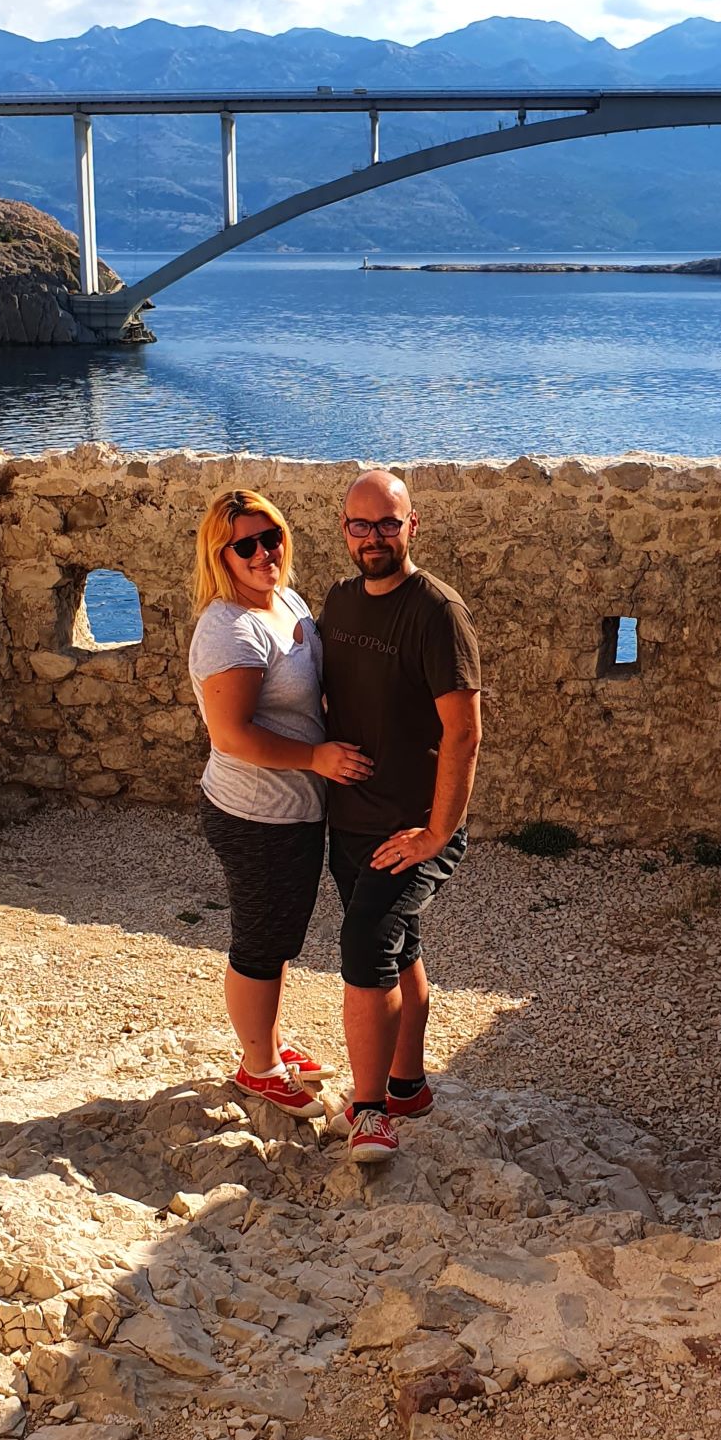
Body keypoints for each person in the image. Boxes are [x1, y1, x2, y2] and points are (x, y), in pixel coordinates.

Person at [188, 488, 371, 1119]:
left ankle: (264, 1041)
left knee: (281, 931)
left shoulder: (284, 600)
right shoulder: (230, 630)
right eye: (246, 545)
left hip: (291, 807)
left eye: (272, 537)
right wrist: (317, 758)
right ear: (221, 555)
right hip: (254, 811)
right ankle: (257, 1067)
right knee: (261, 941)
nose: (264, 552)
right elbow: (232, 735)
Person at [319, 469, 482, 1161]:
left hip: (414, 827)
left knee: (365, 947)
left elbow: (464, 732)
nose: (375, 538)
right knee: (397, 943)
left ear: (414, 525)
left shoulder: (437, 612)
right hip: (351, 818)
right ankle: (407, 1084)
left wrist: (438, 832)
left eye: (388, 523)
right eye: (361, 525)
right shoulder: (338, 602)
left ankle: (369, 1110)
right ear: (344, 531)